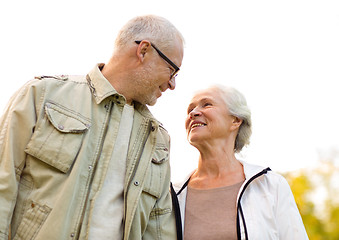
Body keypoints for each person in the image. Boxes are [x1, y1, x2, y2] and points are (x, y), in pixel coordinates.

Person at [0, 15, 184, 240]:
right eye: (172, 70)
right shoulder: (42, 96)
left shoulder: (158, 140)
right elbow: (3, 180)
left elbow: (159, 227)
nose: (173, 84)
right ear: (144, 50)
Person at [172, 85, 309, 239]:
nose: (193, 113)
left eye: (207, 104)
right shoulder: (172, 195)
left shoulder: (270, 185)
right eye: (190, 109)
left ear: (235, 120)